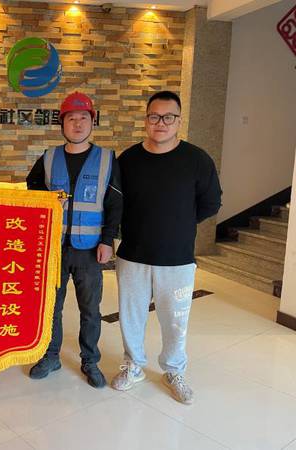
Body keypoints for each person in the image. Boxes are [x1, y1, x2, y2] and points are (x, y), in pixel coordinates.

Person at [110, 90, 222, 404]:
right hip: (133, 254)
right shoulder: (129, 160)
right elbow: (116, 202)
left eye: (168, 117)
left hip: (178, 258)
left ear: (178, 120)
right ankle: (133, 365)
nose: (161, 122)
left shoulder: (197, 159)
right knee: (131, 316)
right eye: (154, 116)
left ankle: (173, 370)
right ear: (146, 120)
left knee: (175, 319)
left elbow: (211, 202)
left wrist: (180, 222)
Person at [26, 91, 122, 388]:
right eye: (71, 118)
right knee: (51, 306)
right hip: (53, 248)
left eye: (83, 118)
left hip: (90, 249)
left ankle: (90, 360)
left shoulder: (106, 159)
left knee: (90, 309)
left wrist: (108, 240)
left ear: (92, 122)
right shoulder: (49, 157)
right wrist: (47, 200)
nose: (77, 124)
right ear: (62, 124)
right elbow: (31, 192)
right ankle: (51, 355)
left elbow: (115, 203)